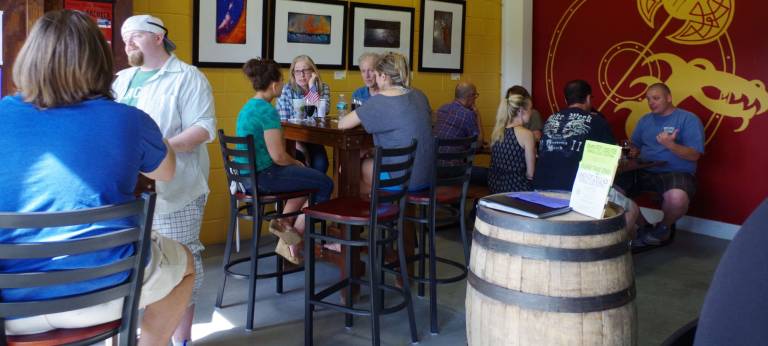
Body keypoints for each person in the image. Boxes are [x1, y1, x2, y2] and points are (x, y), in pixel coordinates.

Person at [0, 10, 193, 345]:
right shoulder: (129, 119)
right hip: (106, 292)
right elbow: (167, 170)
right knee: (185, 263)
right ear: (100, 61)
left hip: (11, 305)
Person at [112, 14, 217, 345]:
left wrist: (157, 151)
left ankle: (181, 339)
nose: (127, 42)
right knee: (139, 265)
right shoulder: (122, 80)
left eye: (136, 36)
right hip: (127, 190)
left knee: (181, 263)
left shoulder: (188, 78)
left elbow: (203, 128)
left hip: (177, 189)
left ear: (158, 37)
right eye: (124, 36)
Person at [236, 58, 333, 264]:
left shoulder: (248, 107)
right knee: (325, 182)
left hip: (247, 179)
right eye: (281, 81)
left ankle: (283, 224)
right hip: (265, 176)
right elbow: (278, 157)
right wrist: (296, 163)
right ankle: (294, 239)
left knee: (308, 180)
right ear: (274, 85)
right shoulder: (267, 111)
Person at [533, 80, 640, 236]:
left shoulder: (550, 119)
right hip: (576, 192)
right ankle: (611, 252)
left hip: (539, 188)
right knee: (632, 209)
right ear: (589, 98)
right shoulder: (597, 122)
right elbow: (612, 162)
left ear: (565, 99)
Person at [620, 83, 705, 245]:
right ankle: (644, 227)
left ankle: (662, 229)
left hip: (675, 171)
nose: (651, 102)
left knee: (677, 199)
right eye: (648, 99)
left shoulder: (688, 119)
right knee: (610, 189)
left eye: (656, 98)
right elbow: (635, 145)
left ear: (669, 98)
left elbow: (694, 155)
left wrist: (671, 145)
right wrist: (632, 150)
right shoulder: (645, 120)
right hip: (644, 168)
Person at [338, 52, 434, 194]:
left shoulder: (380, 100)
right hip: (427, 175)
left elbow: (342, 124)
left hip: (402, 179)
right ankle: (386, 209)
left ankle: (373, 211)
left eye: (376, 75)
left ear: (383, 76)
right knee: (367, 165)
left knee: (350, 168)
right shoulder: (420, 95)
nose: (375, 79)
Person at [275, 55, 331, 174]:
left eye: (305, 70)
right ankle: (304, 192)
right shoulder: (287, 90)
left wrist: (312, 87)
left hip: (313, 138)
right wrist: (301, 146)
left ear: (313, 71)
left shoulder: (323, 88)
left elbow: (321, 115)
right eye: (298, 71)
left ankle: (315, 193)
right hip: (291, 140)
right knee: (301, 161)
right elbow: (285, 123)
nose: (302, 75)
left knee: (321, 165)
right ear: (293, 73)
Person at [433, 82, 488, 185]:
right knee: (491, 175)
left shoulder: (441, 109)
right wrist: (478, 116)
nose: (476, 98)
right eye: (475, 95)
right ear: (470, 96)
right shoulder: (468, 114)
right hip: (454, 171)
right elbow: (478, 143)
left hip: (433, 169)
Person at [488, 94, 536, 193]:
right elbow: (530, 174)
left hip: (494, 189)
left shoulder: (497, 132)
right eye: (530, 109)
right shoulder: (527, 134)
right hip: (516, 190)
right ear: (520, 111)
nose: (532, 112)